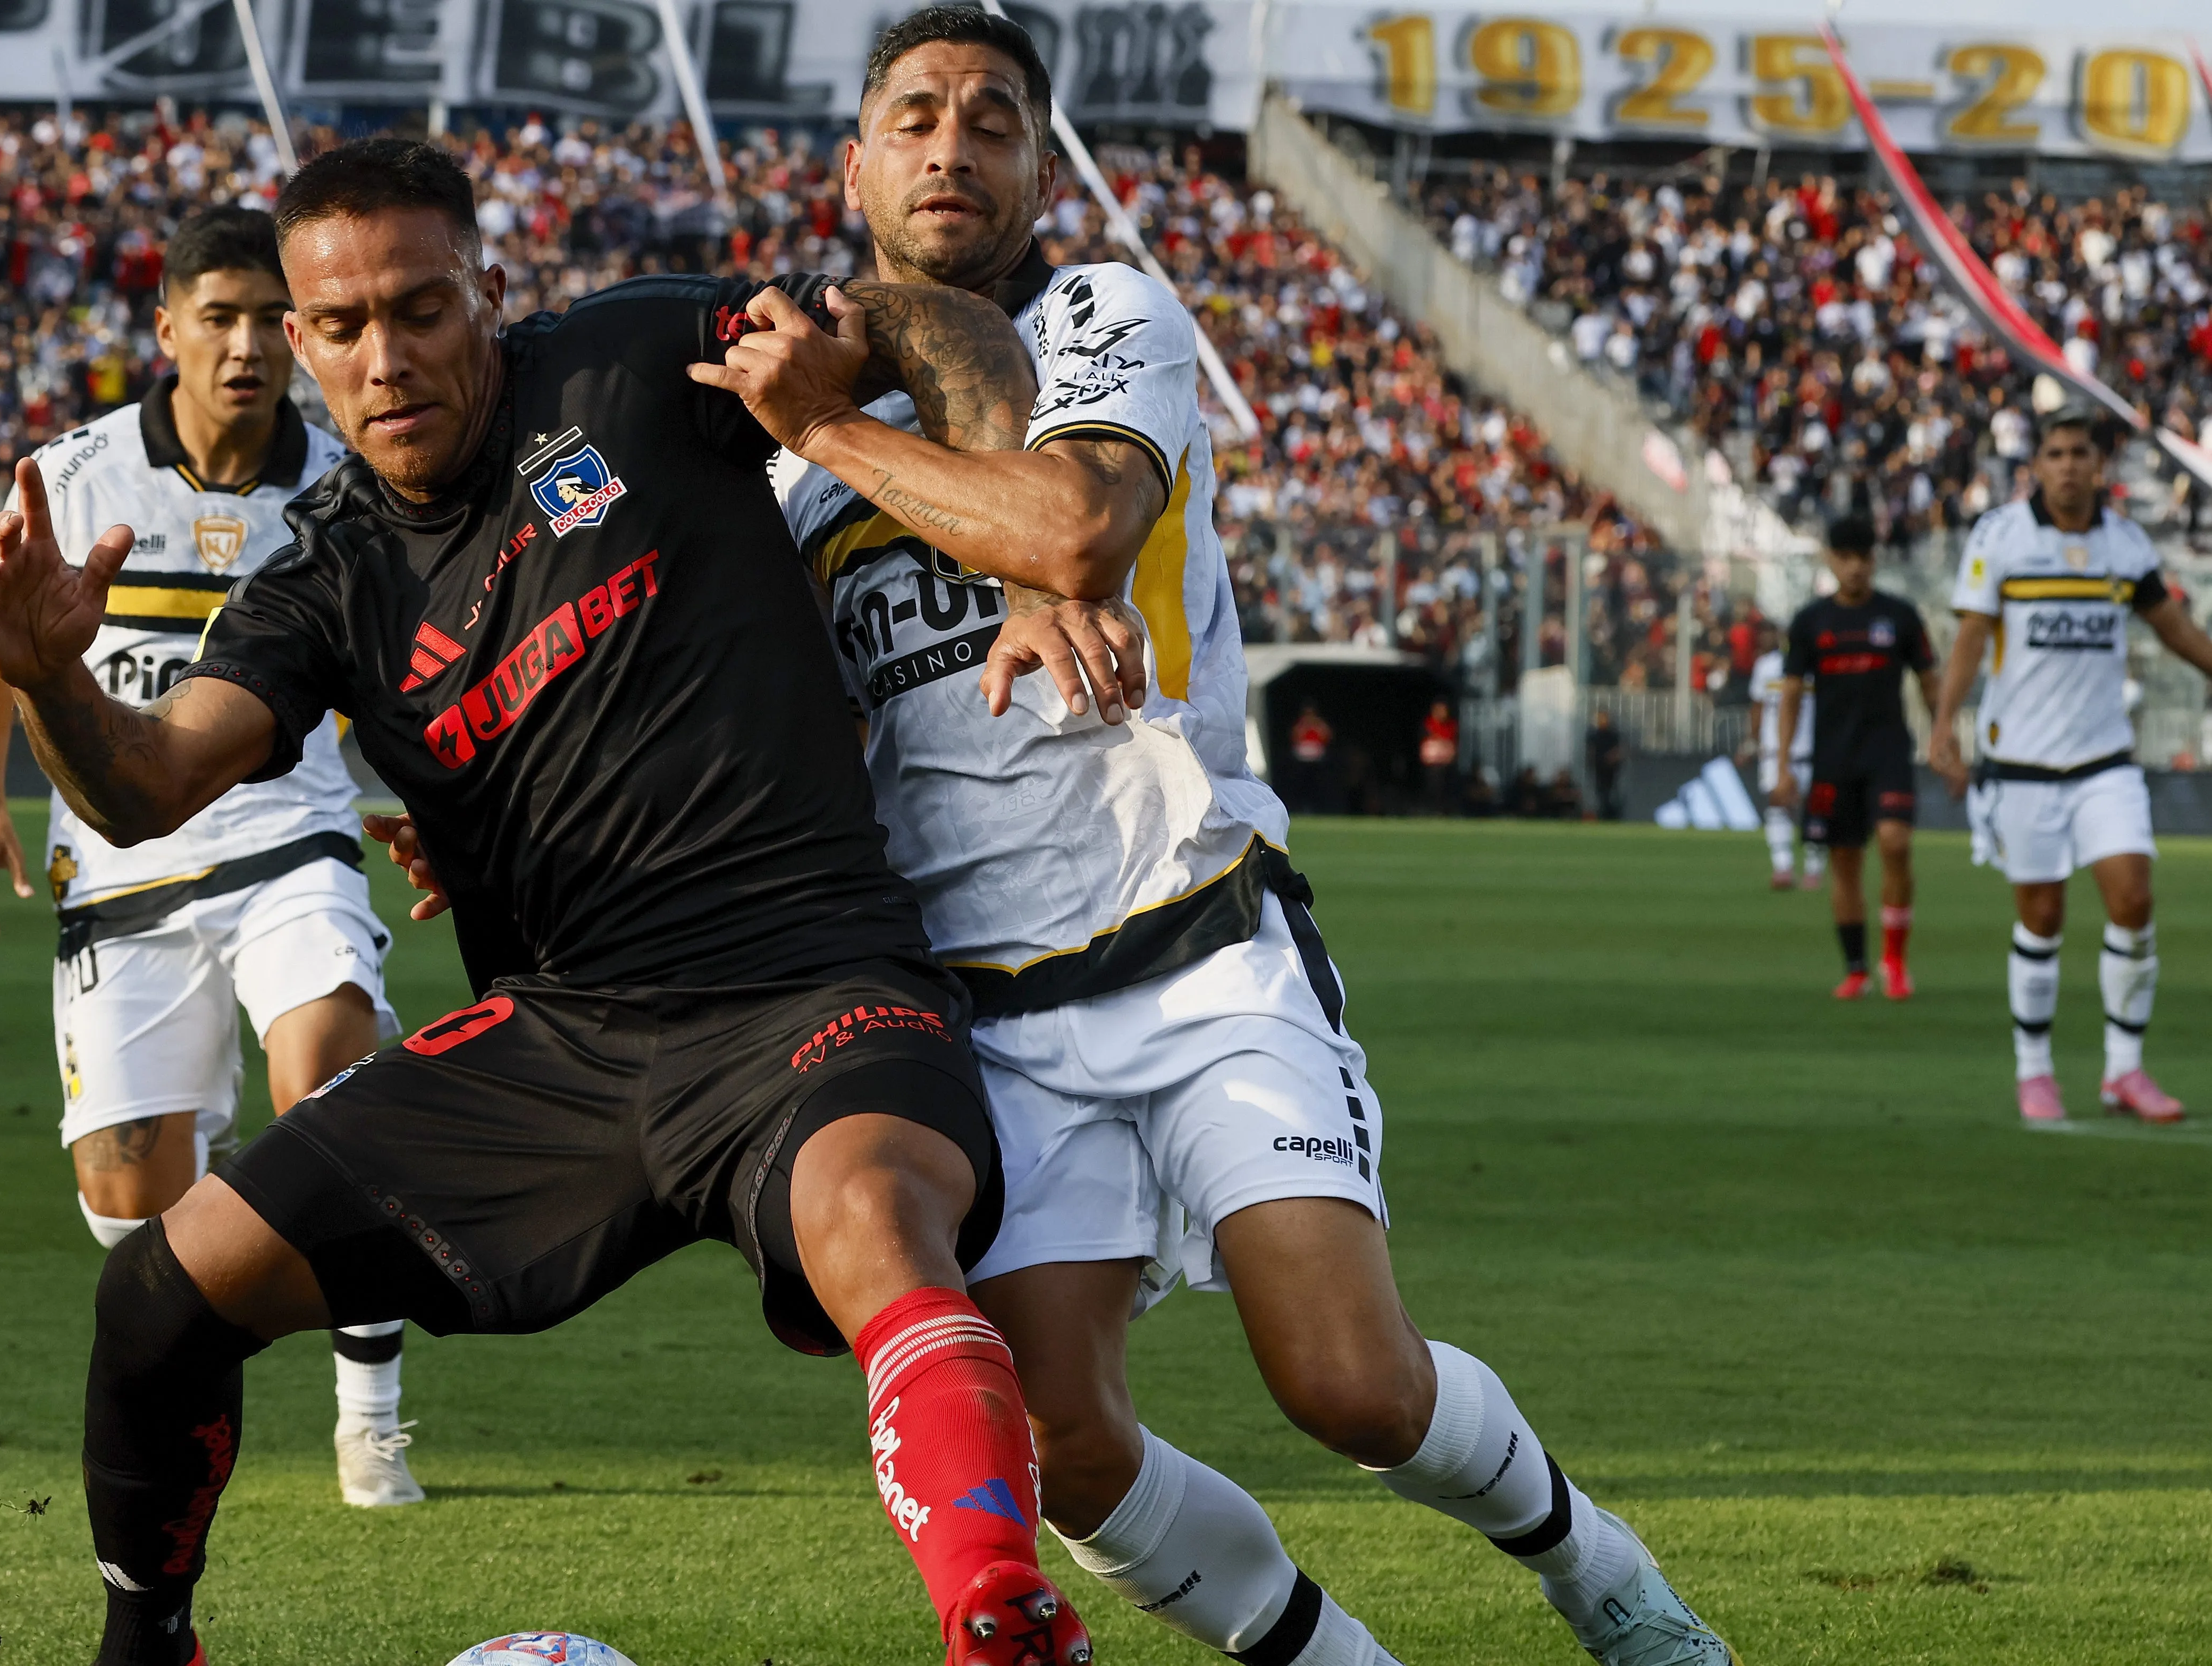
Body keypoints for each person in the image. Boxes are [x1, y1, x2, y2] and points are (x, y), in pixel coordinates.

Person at [388, 15, 1730, 1663]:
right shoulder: (772, 457)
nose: (950, 147)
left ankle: (1600, 1572)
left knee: (1350, 1385)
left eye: (992, 120)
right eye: (914, 117)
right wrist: (524, 814)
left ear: (1038, 165)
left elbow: (1076, 523)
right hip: (975, 1004)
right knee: (1061, 1450)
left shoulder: (1102, 314)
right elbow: (731, 726)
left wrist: (845, 439)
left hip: (1191, 933)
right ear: (856, 166)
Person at [0, 139, 1100, 1666]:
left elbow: (935, 324)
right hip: (558, 1038)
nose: (386, 358)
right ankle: (146, 1643)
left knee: (877, 1220)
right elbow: (147, 783)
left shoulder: (634, 362)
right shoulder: (325, 576)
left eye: (421, 308)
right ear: (300, 342)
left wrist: (1018, 554)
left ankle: (998, 1611)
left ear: (489, 292)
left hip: (808, 981)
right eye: (343, 327)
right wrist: (51, 681)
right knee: (165, 1289)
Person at [0, 205, 422, 1510]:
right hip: (121, 870)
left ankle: (372, 1415)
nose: (247, 346)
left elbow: (407, 654)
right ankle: (198, 1399)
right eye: (220, 318)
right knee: (130, 1198)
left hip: (289, 837)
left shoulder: (348, 482)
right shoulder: (74, 476)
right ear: (167, 330)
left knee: (329, 1083)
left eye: (271, 320)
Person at [1931, 407, 2212, 1122]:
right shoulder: (2000, 537)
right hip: (2022, 762)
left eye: (2078, 453)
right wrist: (1943, 726)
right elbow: (1970, 637)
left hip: (2103, 760)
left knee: (2133, 898)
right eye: (2053, 453)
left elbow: (2171, 626)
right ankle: (2034, 1071)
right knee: (2041, 917)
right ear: (2037, 465)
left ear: (2099, 465)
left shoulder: (2124, 543)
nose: (2065, 465)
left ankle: (2124, 1069)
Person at [1772, 516, 1936, 1000]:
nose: (1855, 567)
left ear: (1874, 560)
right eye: (1845, 558)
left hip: (1887, 753)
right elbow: (1790, 696)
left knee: (1894, 842)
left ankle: (1894, 960)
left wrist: (1943, 738)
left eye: (1862, 557)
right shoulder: (1810, 622)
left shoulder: (1900, 617)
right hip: (1833, 758)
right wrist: (1783, 765)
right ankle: (1857, 969)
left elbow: (1929, 681)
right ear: (1830, 560)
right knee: (1844, 862)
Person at [1748, 619, 1824, 890]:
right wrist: (1753, 740)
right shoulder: (1766, 666)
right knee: (1778, 803)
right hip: (1774, 750)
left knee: (1816, 808)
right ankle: (1783, 866)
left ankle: (1814, 869)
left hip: (1811, 749)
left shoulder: (1819, 666)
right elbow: (1758, 706)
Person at [1288, 700, 1332, 814]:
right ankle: (1302, 807)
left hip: (1316, 759)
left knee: (1317, 784)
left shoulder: (1319, 725)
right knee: (1302, 784)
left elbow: (1327, 736)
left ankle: (1318, 807)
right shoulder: (1300, 726)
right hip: (1302, 759)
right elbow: (1295, 737)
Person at [1417, 699, 1457, 815]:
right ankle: (1432, 809)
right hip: (1431, 765)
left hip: (1447, 764)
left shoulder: (1451, 726)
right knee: (1433, 784)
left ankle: (1446, 810)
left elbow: (1453, 746)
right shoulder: (1428, 725)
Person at [1586, 708, 1626, 821]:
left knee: (1612, 793)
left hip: (1612, 770)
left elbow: (1619, 751)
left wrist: (1612, 758)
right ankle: (1603, 814)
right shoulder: (1593, 735)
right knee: (1600, 793)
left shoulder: (1613, 735)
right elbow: (1591, 752)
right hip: (1599, 769)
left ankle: (1612, 815)